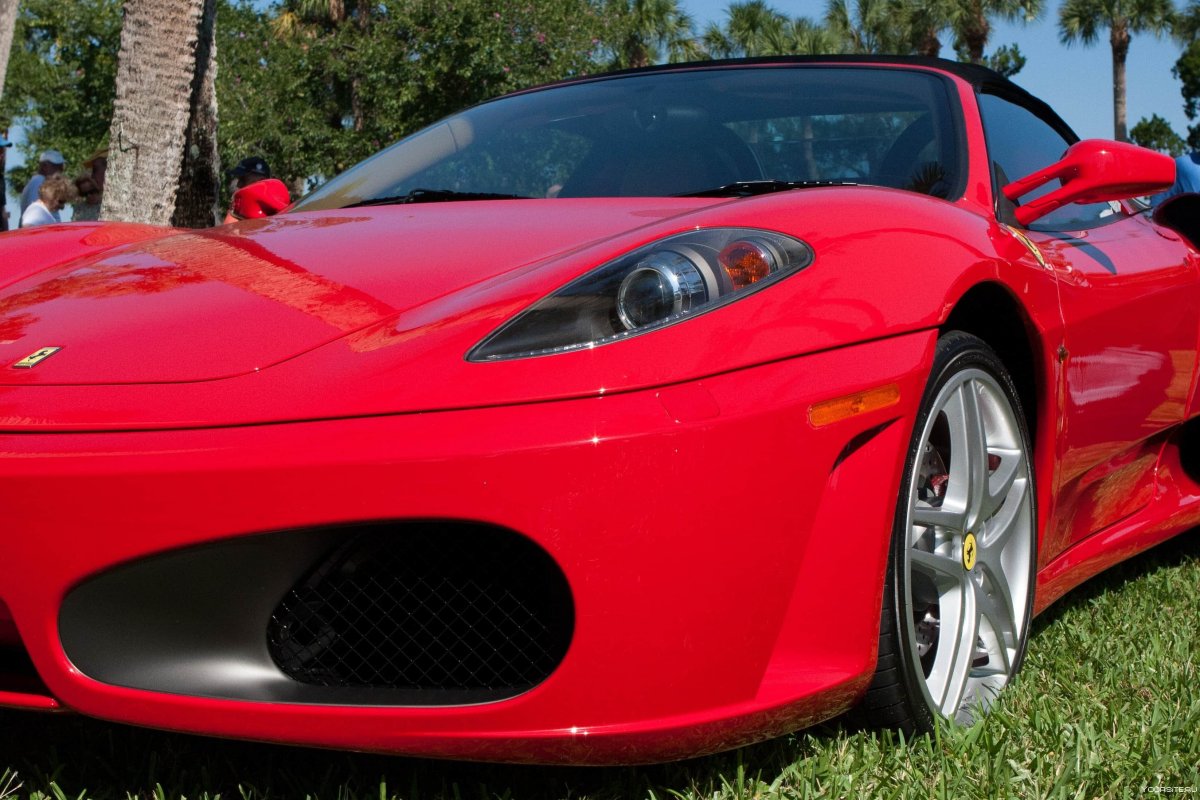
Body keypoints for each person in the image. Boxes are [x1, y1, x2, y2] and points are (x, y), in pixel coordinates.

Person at [19, 149, 66, 218]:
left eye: (61, 169)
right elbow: (35, 215)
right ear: (44, 166)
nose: (60, 172)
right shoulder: (38, 182)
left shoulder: (40, 182)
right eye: (57, 168)